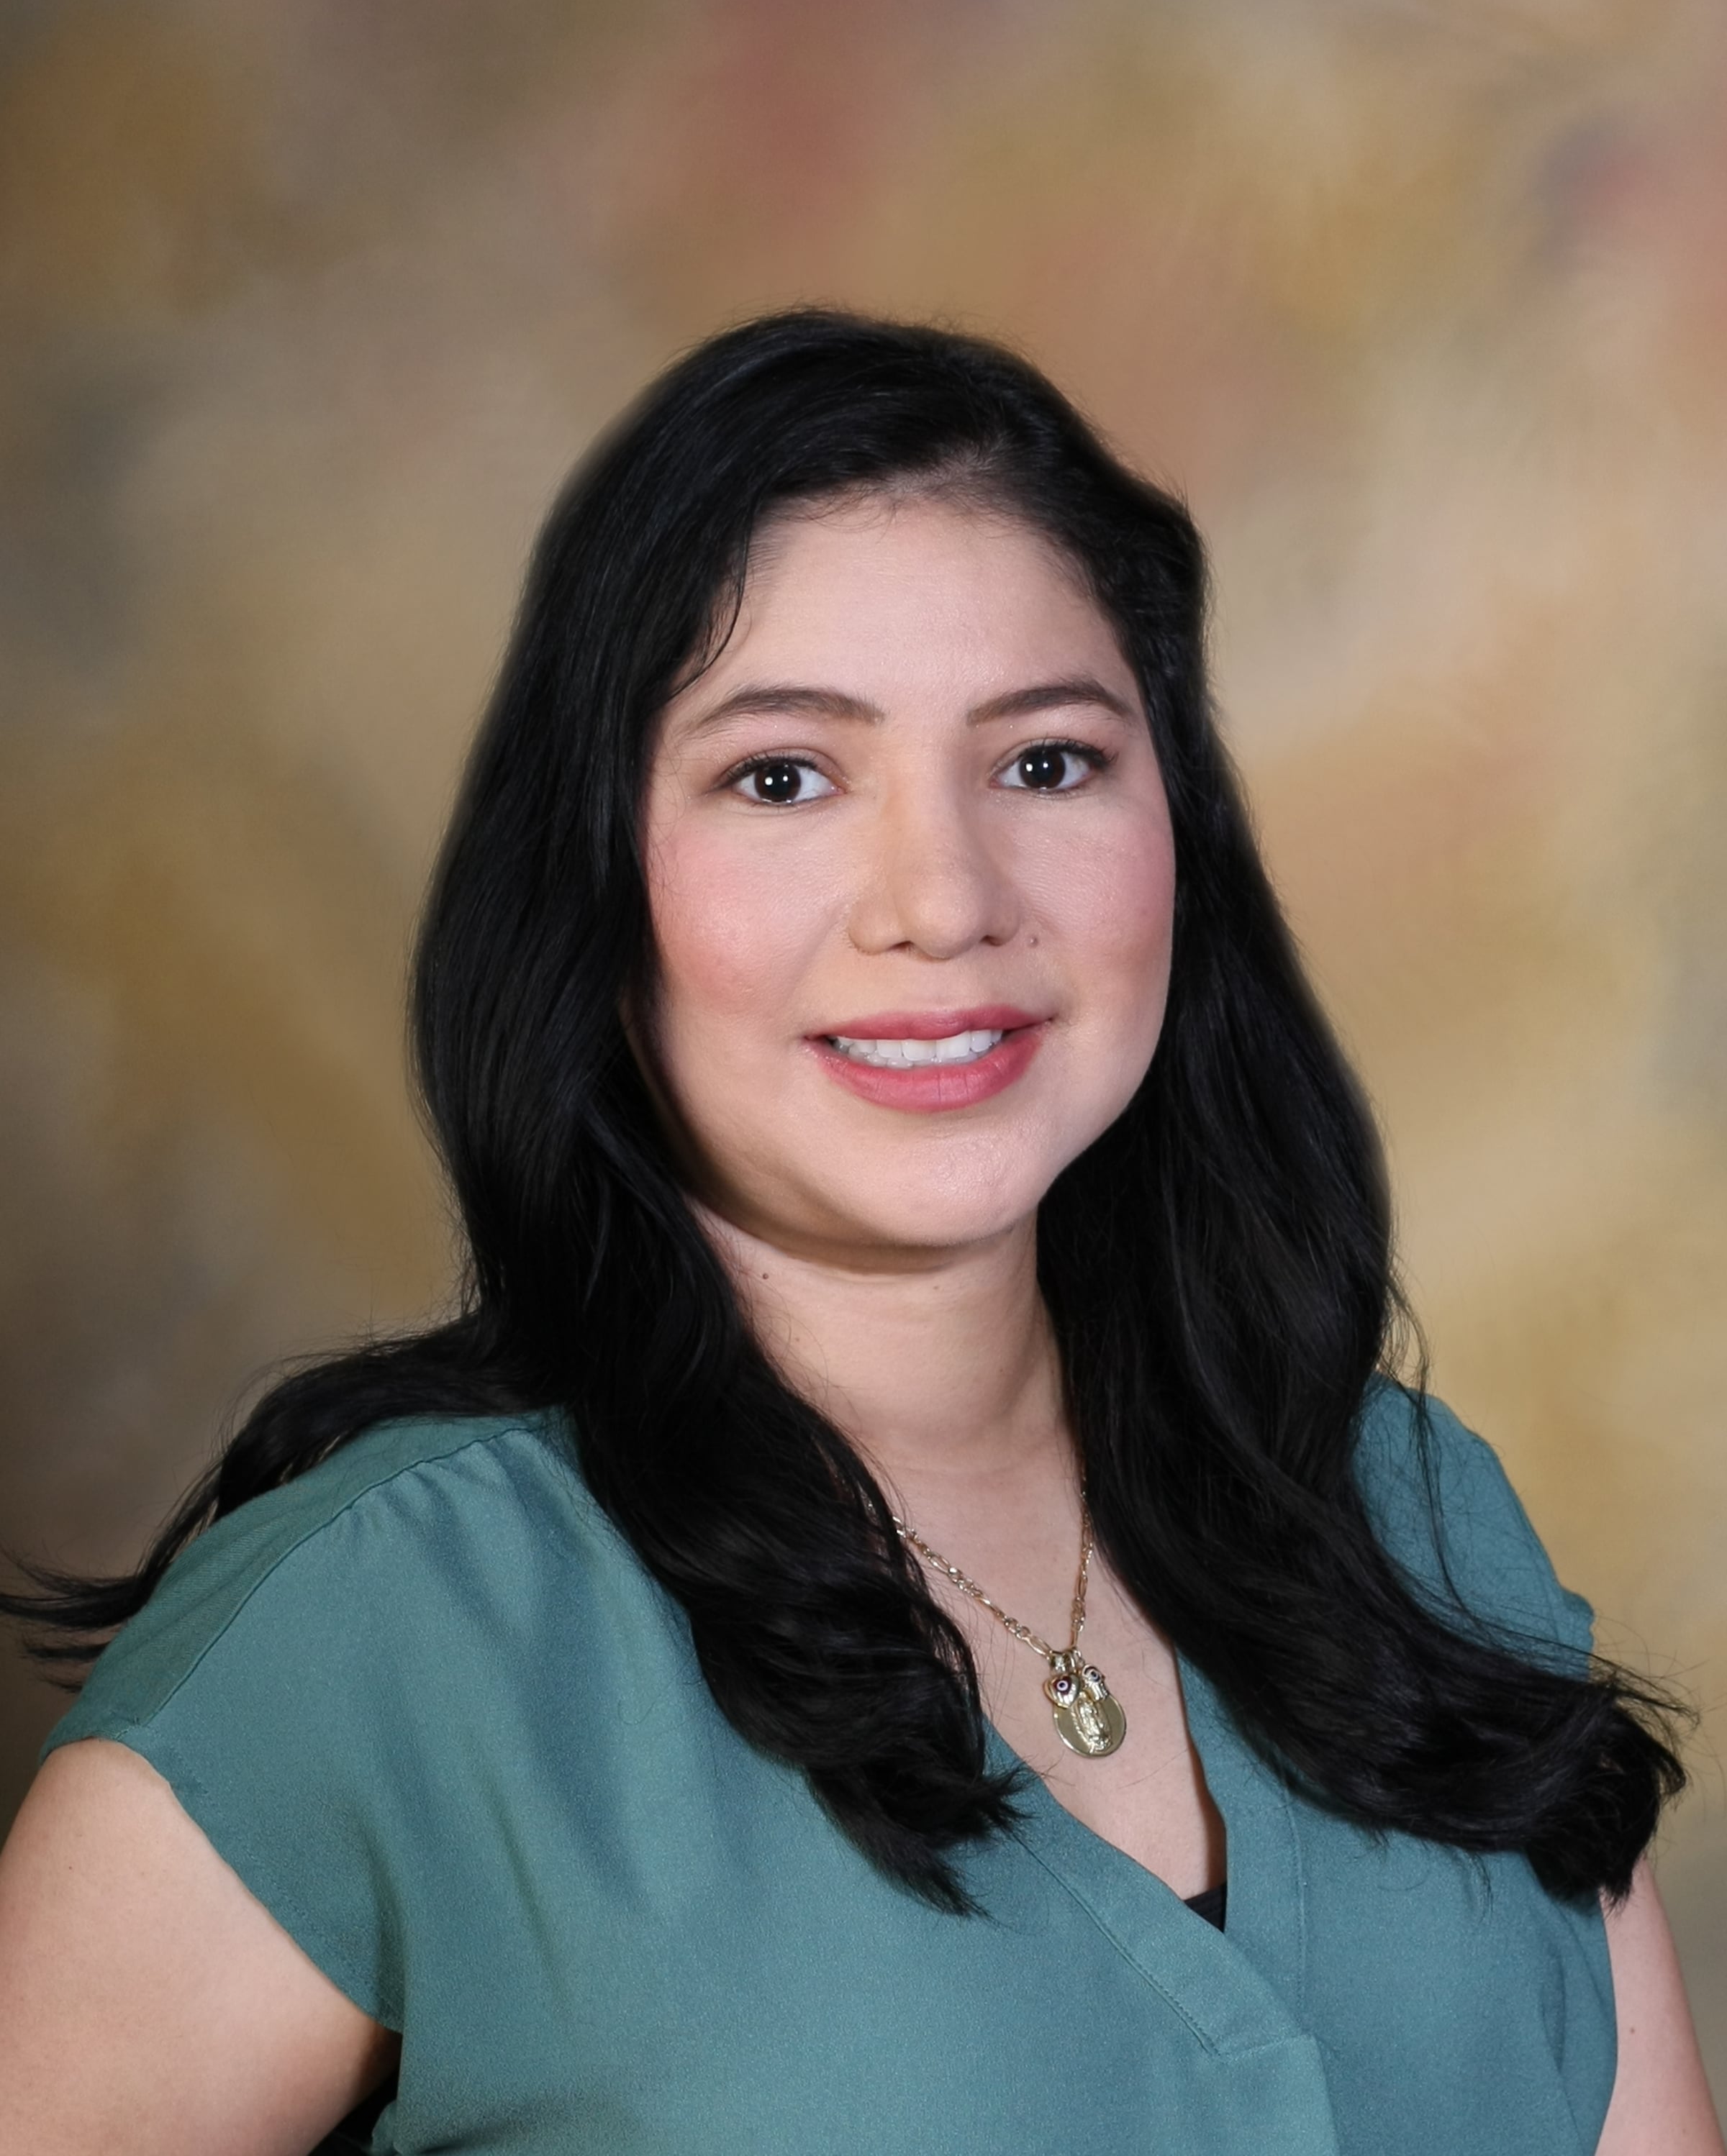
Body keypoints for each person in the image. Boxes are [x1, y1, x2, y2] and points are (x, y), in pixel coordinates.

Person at [0, 310, 1716, 2156]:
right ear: (596, 877)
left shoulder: (1415, 1517)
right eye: (784, 777)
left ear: (1181, 830)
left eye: (1046, 762)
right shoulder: (379, 1632)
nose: (944, 901)